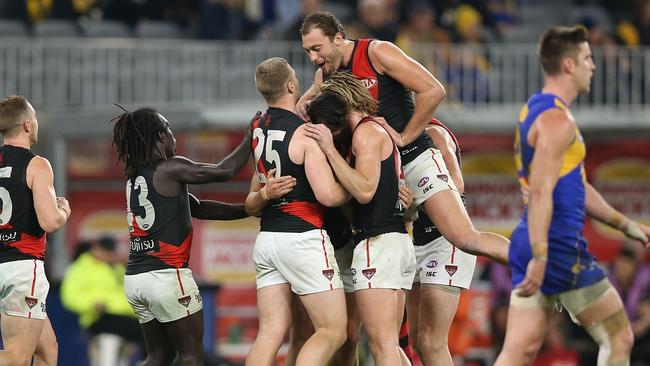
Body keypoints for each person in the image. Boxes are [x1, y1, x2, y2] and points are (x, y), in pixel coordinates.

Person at [298, 11, 510, 267]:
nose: (312, 57)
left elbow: (433, 90)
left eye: (317, 48)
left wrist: (404, 136)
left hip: (415, 157)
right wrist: (303, 104)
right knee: (393, 253)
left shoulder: (377, 52)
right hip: (386, 172)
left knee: (464, 238)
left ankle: (542, 272)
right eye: (308, 51)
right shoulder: (325, 75)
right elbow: (307, 99)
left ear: (339, 38)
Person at [495, 26, 650, 366]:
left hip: (532, 241)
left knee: (518, 352)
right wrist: (542, 254)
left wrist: (626, 225)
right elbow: (539, 192)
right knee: (618, 336)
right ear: (568, 65)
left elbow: (575, 185)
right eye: (587, 58)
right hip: (557, 247)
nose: (593, 65)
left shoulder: (534, 109)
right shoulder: (557, 121)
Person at [112, 107, 252, 366]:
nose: (174, 137)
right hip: (166, 276)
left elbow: (197, 207)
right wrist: (250, 137)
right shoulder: (171, 168)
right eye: (170, 130)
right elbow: (224, 171)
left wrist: (249, 211)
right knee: (191, 355)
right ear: (161, 136)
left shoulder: (134, 176)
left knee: (158, 356)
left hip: (136, 279)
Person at [305, 71, 416, 366]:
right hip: (397, 241)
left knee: (382, 347)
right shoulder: (374, 130)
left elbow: (365, 190)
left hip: (379, 244)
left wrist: (329, 149)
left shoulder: (366, 133)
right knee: (392, 345)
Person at [244, 57, 349, 366]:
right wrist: (358, 187)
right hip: (302, 238)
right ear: (291, 85)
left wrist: (315, 89)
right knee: (332, 331)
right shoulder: (306, 134)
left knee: (271, 332)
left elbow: (251, 200)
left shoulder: (257, 129)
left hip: (267, 241)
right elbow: (328, 195)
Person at [0, 95, 67, 366]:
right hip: (21, 267)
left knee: (47, 350)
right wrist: (64, 210)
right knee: (16, 357)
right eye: (35, 118)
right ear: (27, 125)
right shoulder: (36, 164)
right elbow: (51, 222)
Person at [406, 119, 477, 366]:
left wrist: (414, 201)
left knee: (430, 341)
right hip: (418, 241)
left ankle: (540, 269)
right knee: (416, 339)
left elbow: (456, 185)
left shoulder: (432, 132)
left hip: (445, 240)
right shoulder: (399, 137)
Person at [61, 236, 143, 366]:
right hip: (98, 316)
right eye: (105, 251)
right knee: (143, 331)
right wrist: (92, 303)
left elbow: (129, 293)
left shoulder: (116, 268)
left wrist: (127, 267)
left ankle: (145, 360)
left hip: (125, 316)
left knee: (150, 328)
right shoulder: (81, 268)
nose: (107, 255)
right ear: (96, 249)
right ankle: (146, 361)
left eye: (110, 252)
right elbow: (69, 297)